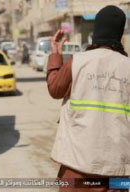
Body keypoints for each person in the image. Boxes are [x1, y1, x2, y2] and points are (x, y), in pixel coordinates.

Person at [47, 5, 130, 192]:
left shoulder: (78, 61)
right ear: (120, 35)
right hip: (119, 171)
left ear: (96, 31)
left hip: (76, 168)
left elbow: (54, 89)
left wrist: (55, 54)